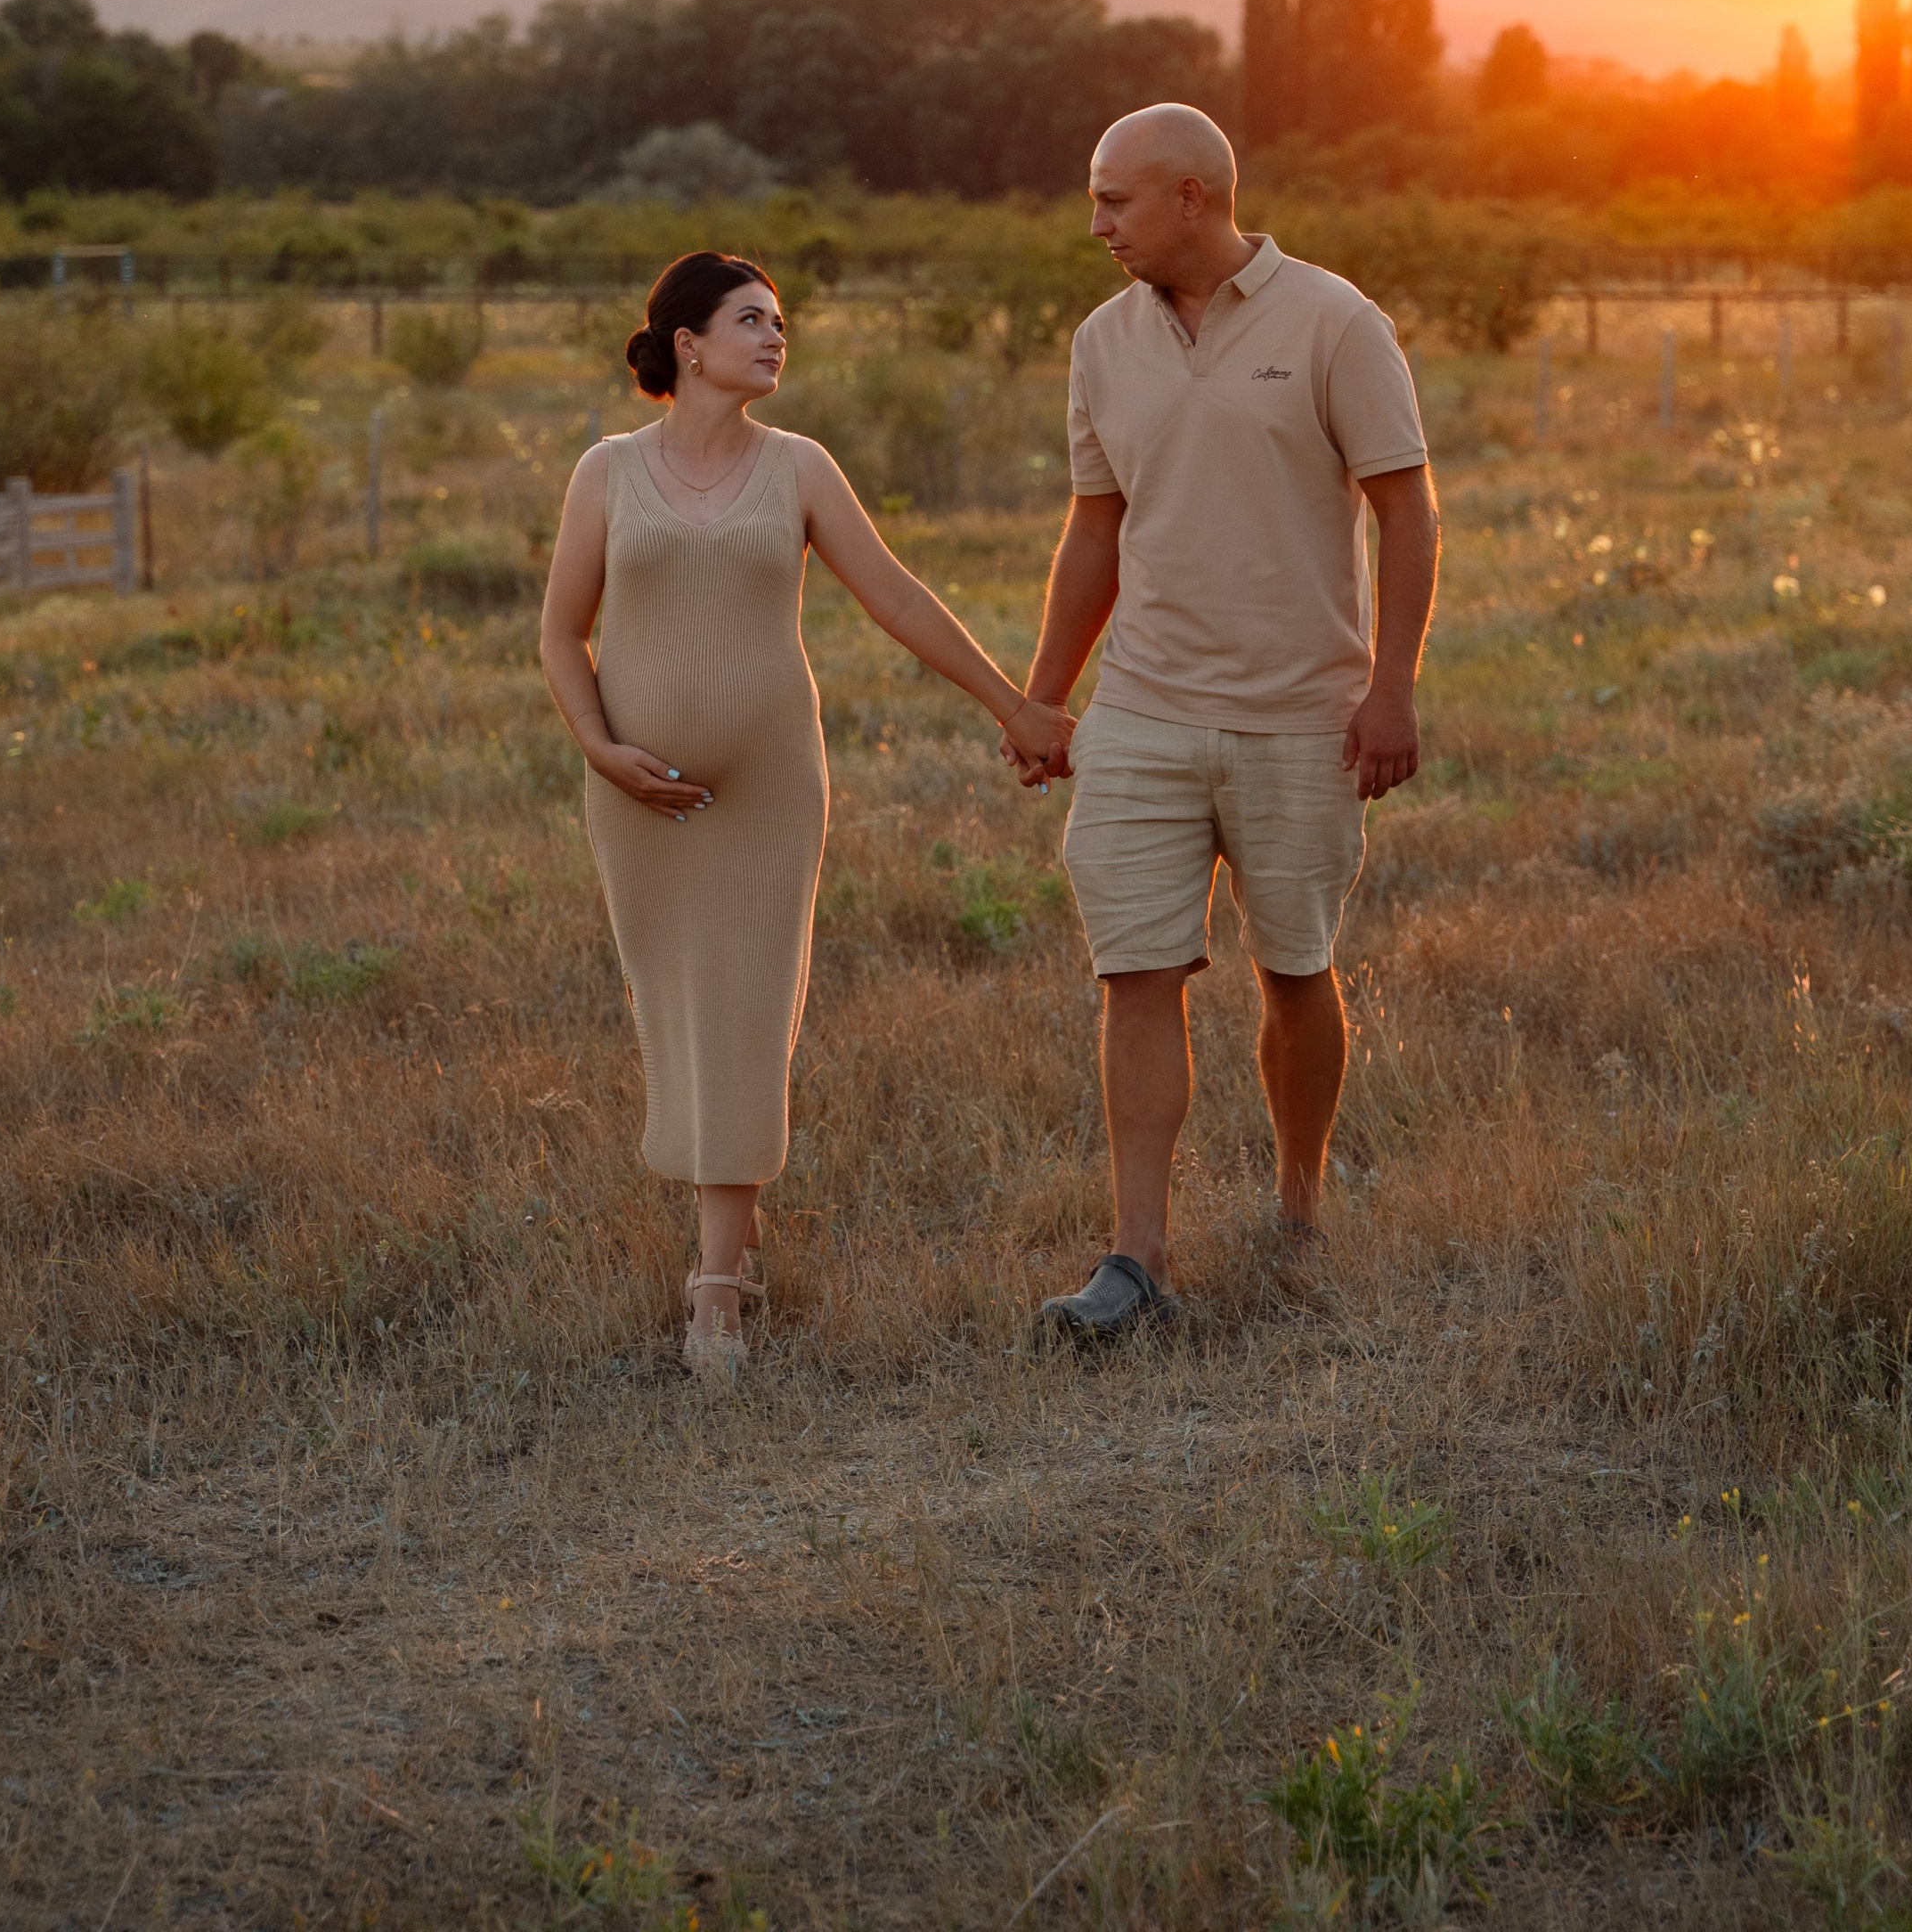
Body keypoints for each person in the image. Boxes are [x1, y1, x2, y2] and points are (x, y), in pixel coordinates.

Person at [541, 249, 1073, 1381]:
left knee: (745, 1007)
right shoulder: (607, 469)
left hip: (770, 790)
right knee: (677, 1006)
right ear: (688, 344)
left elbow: (897, 598)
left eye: (780, 320)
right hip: (639, 798)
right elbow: (560, 629)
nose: (776, 336)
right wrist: (596, 745)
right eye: (751, 319)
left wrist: (1013, 705)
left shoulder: (799, 466)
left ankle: (715, 1286)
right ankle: (731, 1229)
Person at [1003, 105, 1441, 1342]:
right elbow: (1095, 529)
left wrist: (1391, 687)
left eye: (1114, 200)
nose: (1096, 224)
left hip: (1301, 716)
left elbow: (1407, 510)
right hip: (1143, 707)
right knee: (1135, 971)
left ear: (1191, 196)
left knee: (1293, 970)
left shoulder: (1335, 322)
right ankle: (1135, 1259)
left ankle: (1298, 1211)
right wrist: (1045, 693)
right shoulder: (1102, 342)